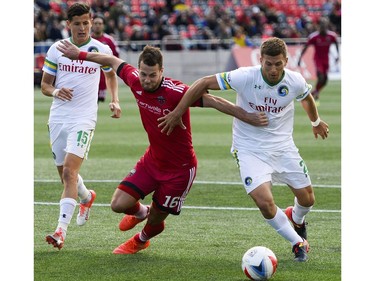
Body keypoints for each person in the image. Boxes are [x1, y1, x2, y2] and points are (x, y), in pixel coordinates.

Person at [57, 40, 268, 255]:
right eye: (144, 74)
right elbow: (111, 60)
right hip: (153, 161)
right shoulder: (134, 80)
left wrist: (247, 116)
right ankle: (141, 212)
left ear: (162, 72)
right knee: (118, 204)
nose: (147, 80)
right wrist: (80, 54)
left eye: (152, 75)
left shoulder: (175, 92)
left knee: (157, 220)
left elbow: (213, 101)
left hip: (180, 169)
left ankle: (141, 240)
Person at [158, 37, 330, 262]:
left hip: (283, 148)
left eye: (278, 64)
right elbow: (201, 83)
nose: (273, 69)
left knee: (307, 199)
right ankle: (297, 242)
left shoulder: (294, 81)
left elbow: (306, 97)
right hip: (249, 149)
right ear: (261, 60)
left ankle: (297, 218)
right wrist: (178, 112)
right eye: (268, 63)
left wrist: (315, 122)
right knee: (265, 202)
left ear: (286, 61)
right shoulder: (245, 76)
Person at [41, 2, 122, 250]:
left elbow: (110, 73)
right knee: (65, 175)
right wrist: (56, 91)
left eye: (86, 23)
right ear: (69, 25)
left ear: (91, 21)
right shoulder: (56, 49)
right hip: (58, 117)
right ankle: (87, 197)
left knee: (69, 173)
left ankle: (60, 232)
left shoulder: (100, 49)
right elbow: (45, 85)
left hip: (84, 118)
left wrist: (115, 100)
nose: (83, 28)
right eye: (77, 23)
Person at [297, 17, 339, 103]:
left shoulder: (331, 36)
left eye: (325, 26)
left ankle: (315, 92)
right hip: (318, 59)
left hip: (326, 59)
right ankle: (313, 94)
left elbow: (336, 43)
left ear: (327, 26)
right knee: (321, 77)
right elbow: (305, 47)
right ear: (318, 26)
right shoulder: (314, 37)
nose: (323, 28)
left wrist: (337, 55)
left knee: (325, 80)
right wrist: (300, 58)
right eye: (321, 26)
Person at [91, 14, 120, 102]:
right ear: (92, 24)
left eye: (100, 23)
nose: (97, 26)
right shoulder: (87, 39)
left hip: (104, 76)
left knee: (97, 101)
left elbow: (116, 56)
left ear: (103, 25)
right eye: (95, 23)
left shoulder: (109, 40)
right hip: (90, 75)